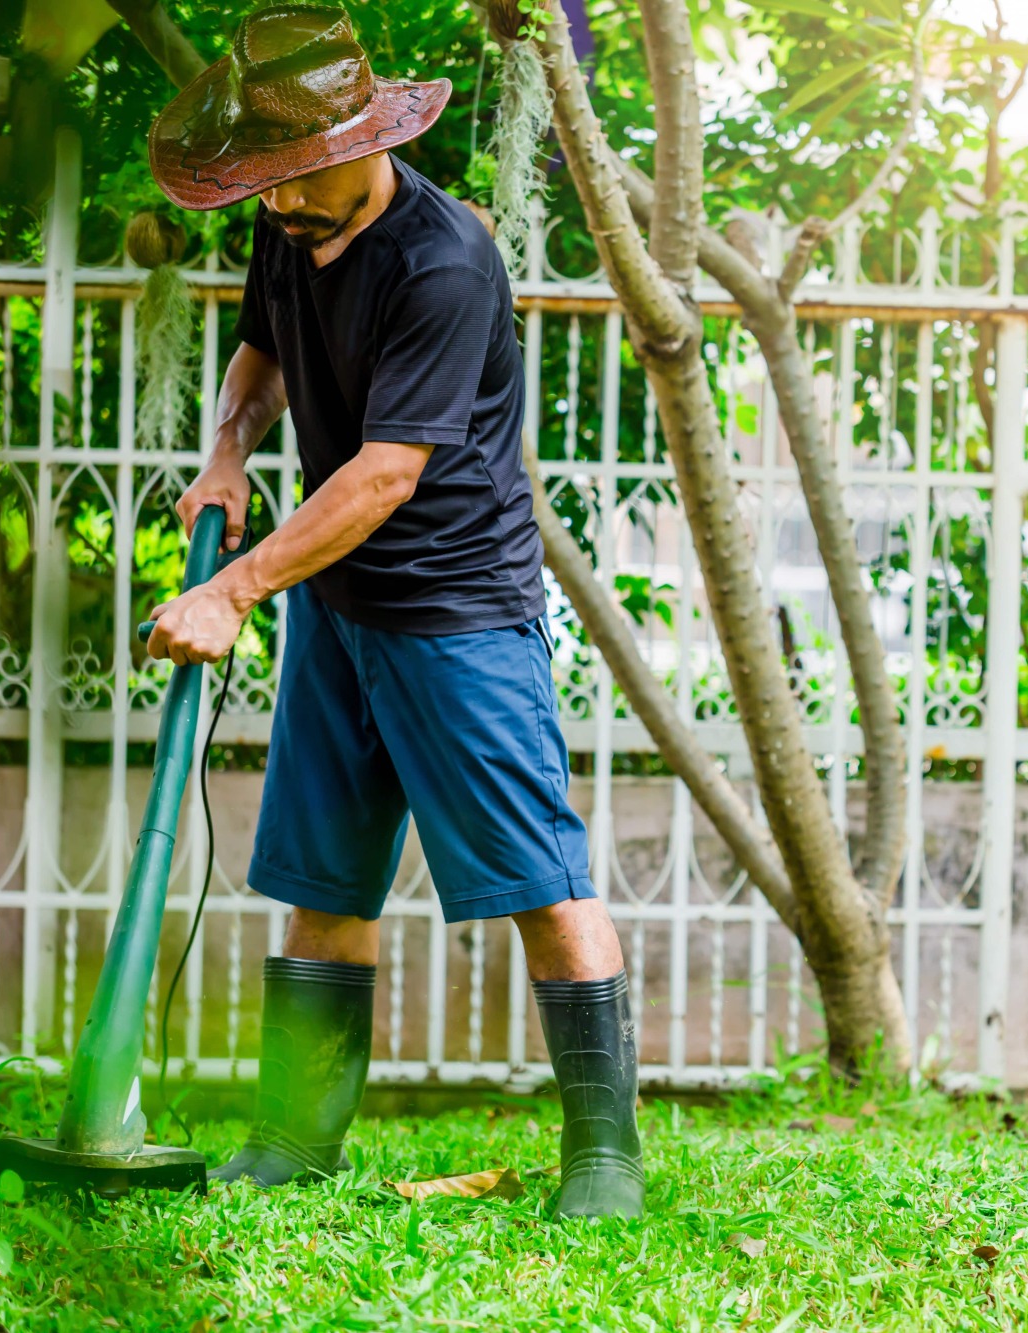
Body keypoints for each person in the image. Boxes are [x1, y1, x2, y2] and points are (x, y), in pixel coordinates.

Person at [142, 3, 641, 1219]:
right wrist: (227, 454)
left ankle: (603, 1161)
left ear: (362, 141)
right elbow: (260, 355)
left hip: (455, 610)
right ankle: (295, 1142)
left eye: (295, 179)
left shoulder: (442, 257)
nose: (276, 205)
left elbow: (382, 473)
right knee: (325, 879)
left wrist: (230, 587)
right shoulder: (288, 213)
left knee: (539, 878)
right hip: (338, 605)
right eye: (263, 182)